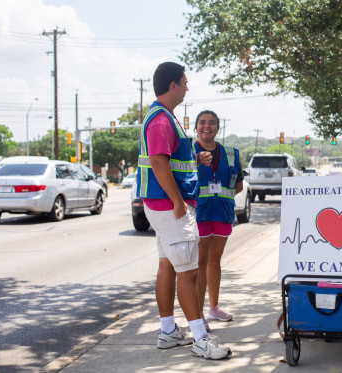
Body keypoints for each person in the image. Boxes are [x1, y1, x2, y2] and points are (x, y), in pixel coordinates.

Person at [136, 62, 231, 360]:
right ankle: (201, 339)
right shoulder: (161, 120)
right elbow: (159, 162)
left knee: (168, 266)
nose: (188, 87)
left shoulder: (165, 117)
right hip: (171, 207)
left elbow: (173, 157)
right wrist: (178, 201)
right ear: (173, 85)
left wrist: (195, 158)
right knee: (188, 273)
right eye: (185, 82)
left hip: (161, 206)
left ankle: (168, 332)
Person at [193, 110, 243, 330]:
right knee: (200, 263)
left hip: (222, 213)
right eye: (202, 122)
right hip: (198, 214)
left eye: (212, 123)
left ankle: (214, 308)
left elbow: (238, 183)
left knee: (215, 261)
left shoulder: (231, 153)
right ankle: (198, 314)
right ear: (196, 127)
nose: (207, 126)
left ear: (218, 128)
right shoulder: (188, 152)